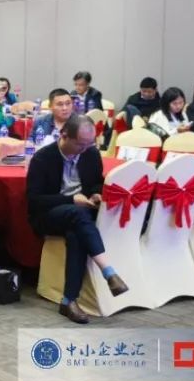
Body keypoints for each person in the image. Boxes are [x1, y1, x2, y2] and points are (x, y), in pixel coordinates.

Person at [27, 115, 128, 324]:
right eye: (80, 144)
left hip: (81, 214)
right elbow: (35, 200)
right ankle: (107, 271)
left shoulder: (90, 153)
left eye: (88, 144)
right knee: (77, 214)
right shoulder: (43, 158)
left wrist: (96, 194)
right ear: (64, 136)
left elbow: (96, 182)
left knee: (76, 234)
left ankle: (68, 301)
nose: (84, 149)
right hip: (49, 214)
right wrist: (71, 199)